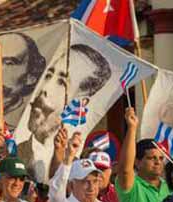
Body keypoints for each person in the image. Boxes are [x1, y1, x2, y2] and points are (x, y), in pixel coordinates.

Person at [18, 44, 112, 182]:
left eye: (61, 82)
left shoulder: (76, 167)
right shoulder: (16, 151)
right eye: (48, 75)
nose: (45, 87)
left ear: (80, 101)